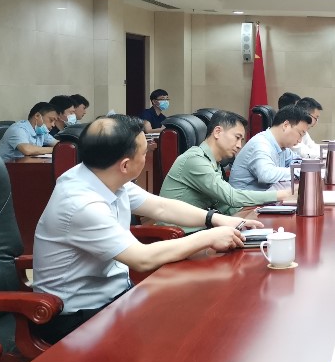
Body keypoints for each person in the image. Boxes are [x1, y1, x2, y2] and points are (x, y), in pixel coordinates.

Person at [32, 115, 262, 343]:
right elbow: (141, 259)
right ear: (125, 165)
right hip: (76, 316)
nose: (147, 155)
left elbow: (161, 207)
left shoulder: (105, 175)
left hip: (116, 295)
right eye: (144, 153)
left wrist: (217, 219)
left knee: (197, 306)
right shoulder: (81, 203)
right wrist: (208, 237)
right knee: (185, 330)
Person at [159, 110, 290, 224]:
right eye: (237, 137)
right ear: (217, 132)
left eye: (241, 140)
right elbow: (231, 197)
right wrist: (281, 195)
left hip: (202, 226)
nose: (239, 145)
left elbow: (222, 204)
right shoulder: (195, 160)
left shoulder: (213, 162)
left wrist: (256, 211)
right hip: (180, 233)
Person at [228, 104, 312, 191]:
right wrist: (299, 171)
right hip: (245, 198)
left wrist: (299, 167)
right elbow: (267, 175)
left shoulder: (282, 147)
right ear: (286, 125)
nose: (300, 140)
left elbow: (297, 160)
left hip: (266, 194)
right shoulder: (261, 144)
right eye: (300, 134)